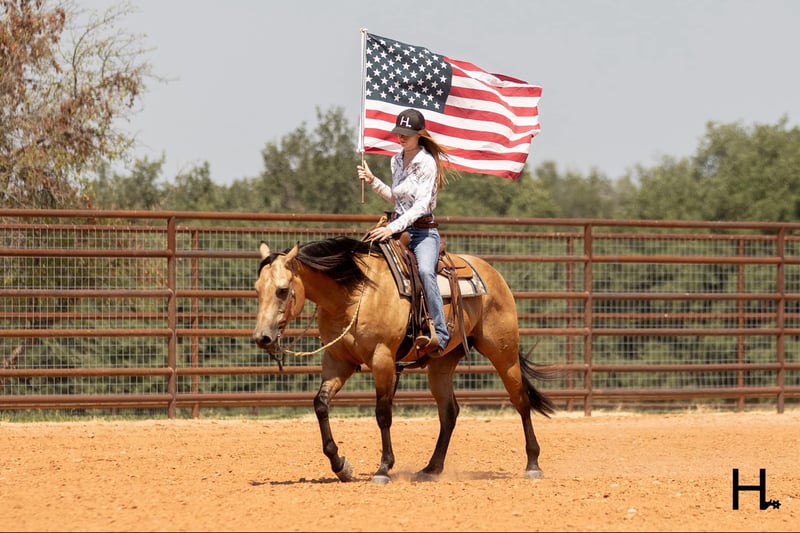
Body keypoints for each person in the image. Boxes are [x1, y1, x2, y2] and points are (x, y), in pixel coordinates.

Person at [357, 108, 451, 358]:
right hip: (399, 227)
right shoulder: (396, 160)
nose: (401, 137)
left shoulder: (427, 163)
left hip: (422, 232)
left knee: (425, 271)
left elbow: (420, 206)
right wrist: (373, 180)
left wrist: (390, 228)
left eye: (406, 134)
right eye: (399, 132)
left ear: (419, 135)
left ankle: (440, 333)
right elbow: (397, 199)